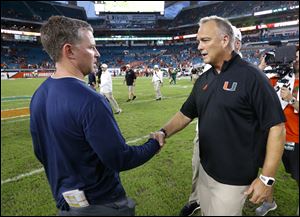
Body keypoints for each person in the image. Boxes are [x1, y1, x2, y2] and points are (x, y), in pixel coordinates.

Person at [153, 15, 286, 216]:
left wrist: (266, 179)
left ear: (225, 40)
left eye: (205, 40)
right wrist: (163, 131)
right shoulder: (204, 79)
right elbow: (185, 114)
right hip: (206, 172)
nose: (199, 46)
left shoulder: (252, 77)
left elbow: (277, 127)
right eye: (198, 41)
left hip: (233, 180)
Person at [30, 16, 162, 216]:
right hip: (102, 204)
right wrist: (155, 143)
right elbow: (119, 158)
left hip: (66, 204)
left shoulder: (38, 95)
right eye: (91, 47)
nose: (97, 53)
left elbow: (41, 152)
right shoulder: (91, 100)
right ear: (69, 51)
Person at [179, 23, 245, 216]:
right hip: (204, 134)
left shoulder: (246, 74)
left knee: (225, 191)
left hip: (231, 143)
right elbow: (188, 110)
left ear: (235, 44)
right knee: (198, 170)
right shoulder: (210, 72)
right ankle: (195, 200)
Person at [256, 47, 299, 216]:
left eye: (297, 57)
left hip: (295, 137)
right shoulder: (279, 79)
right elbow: (255, 85)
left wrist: (291, 99)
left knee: (297, 176)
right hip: (273, 136)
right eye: (293, 57)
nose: (294, 60)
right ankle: (269, 202)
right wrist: (261, 66)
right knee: (268, 172)